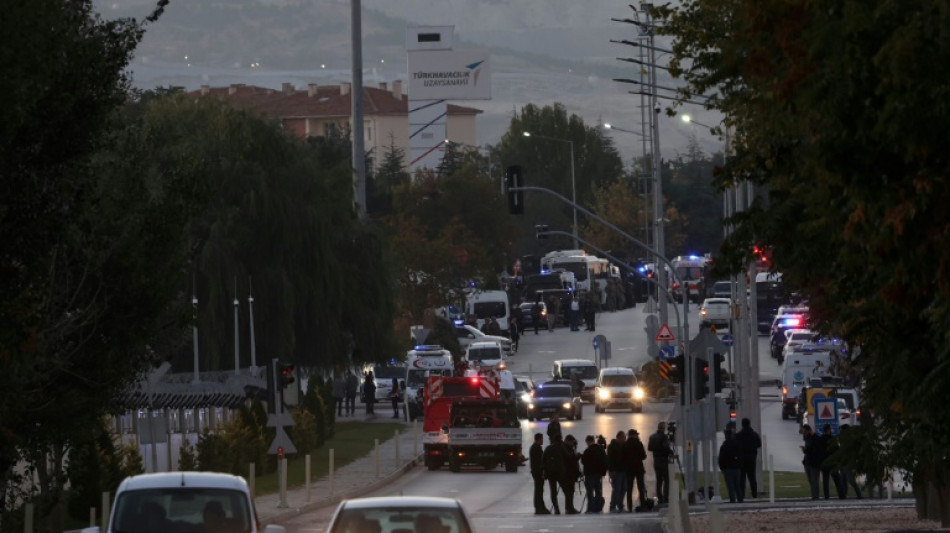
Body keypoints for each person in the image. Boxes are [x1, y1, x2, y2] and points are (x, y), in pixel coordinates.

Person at [735, 417, 762, 499]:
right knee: (752, 478)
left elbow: (735, 446)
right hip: (751, 458)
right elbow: (759, 444)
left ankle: (742, 494)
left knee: (742, 478)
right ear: (749, 424)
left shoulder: (738, 435)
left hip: (742, 459)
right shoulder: (754, 434)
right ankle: (754, 494)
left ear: (742, 424)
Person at [581, 434, 608, 513]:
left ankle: (590, 508)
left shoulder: (587, 451)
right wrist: (603, 472)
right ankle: (598, 507)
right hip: (598, 474)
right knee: (598, 491)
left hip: (589, 474)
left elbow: (583, 461)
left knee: (590, 492)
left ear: (588, 442)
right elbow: (605, 460)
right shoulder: (600, 449)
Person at [647, 421, 672, 504]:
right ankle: (665, 497)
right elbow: (666, 448)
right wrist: (670, 452)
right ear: (663, 428)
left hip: (656, 460)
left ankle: (660, 497)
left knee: (659, 480)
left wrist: (656, 449)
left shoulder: (652, 437)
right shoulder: (664, 437)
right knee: (666, 480)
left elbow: (649, 448)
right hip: (663, 459)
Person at [817, 423, 844, 499]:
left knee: (826, 481)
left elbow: (819, 451)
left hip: (825, 462)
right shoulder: (833, 439)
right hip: (832, 462)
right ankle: (841, 495)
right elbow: (837, 450)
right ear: (828, 430)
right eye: (830, 429)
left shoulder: (820, 439)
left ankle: (826, 496)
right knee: (837, 480)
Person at [543, 434, 568, 514]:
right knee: (566, 491)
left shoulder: (548, 448)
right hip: (560, 472)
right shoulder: (561, 447)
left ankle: (556, 509)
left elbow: (543, 460)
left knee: (553, 492)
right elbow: (567, 457)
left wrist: (545, 471)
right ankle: (568, 507)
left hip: (551, 473)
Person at [624, 429, 648, 511]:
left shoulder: (625, 444)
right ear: (634, 435)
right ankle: (643, 505)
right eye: (636, 434)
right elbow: (644, 456)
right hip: (638, 468)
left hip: (629, 469)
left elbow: (622, 457)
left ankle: (629, 507)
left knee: (629, 489)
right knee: (640, 488)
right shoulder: (639, 443)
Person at [837, 425, 862, 499]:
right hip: (843, 462)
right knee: (843, 480)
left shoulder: (849, 440)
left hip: (848, 463)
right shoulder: (843, 439)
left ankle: (859, 495)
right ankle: (844, 495)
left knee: (850, 480)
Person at [719, 428, 743, 503]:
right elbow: (740, 455)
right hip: (736, 468)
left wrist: (722, 468)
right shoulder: (737, 444)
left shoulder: (724, 446)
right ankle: (740, 499)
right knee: (737, 485)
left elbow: (721, 458)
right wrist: (739, 465)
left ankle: (732, 500)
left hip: (728, 468)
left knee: (730, 486)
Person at [606, 431, 627, 512]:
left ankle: (620, 504)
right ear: (618, 437)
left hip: (624, 470)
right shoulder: (612, 446)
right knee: (617, 489)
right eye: (623, 437)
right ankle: (613, 505)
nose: (624, 439)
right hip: (616, 471)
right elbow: (609, 459)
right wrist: (611, 470)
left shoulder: (625, 445)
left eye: (624, 437)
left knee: (624, 488)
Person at [561, 434, 581, 514]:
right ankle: (569, 508)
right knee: (569, 492)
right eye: (572, 442)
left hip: (570, 473)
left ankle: (570, 507)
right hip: (567, 474)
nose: (573, 444)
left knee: (571, 491)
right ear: (568, 441)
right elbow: (569, 460)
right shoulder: (564, 448)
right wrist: (575, 456)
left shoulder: (569, 448)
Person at [801, 424, 821, 500]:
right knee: (811, 481)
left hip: (814, 463)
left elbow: (815, 451)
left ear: (809, 431)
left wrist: (805, 450)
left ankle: (815, 497)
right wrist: (805, 450)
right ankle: (814, 496)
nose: (804, 434)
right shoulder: (807, 438)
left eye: (805, 432)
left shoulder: (816, 438)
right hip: (807, 461)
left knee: (814, 481)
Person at [530, 433, 549, 514]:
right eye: (542, 439)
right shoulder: (536, 448)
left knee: (539, 490)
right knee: (539, 490)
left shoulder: (535, 447)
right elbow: (539, 461)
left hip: (536, 471)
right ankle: (539, 507)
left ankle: (540, 506)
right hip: (537, 472)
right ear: (538, 439)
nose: (542, 440)